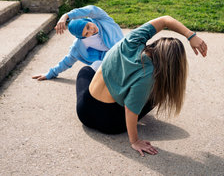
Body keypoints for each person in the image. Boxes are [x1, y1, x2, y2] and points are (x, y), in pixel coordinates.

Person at [76, 14, 207, 156]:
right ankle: (130, 98)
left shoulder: (132, 39)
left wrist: (191, 36)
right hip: (110, 124)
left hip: (83, 111)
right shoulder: (148, 75)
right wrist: (135, 141)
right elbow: (130, 109)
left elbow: (164, 20)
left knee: (85, 71)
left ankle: (121, 91)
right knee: (156, 94)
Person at [32, 5, 124, 81]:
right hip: (113, 62)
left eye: (88, 26)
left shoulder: (102, 19)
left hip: (126, 50)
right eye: (86, 33)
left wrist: (66, 16)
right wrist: (50, 73)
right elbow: (67, 61)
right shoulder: (79, 46)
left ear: (86, 20)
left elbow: (89, 10)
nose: (91, 31)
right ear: (82, 36)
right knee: (96, 65)